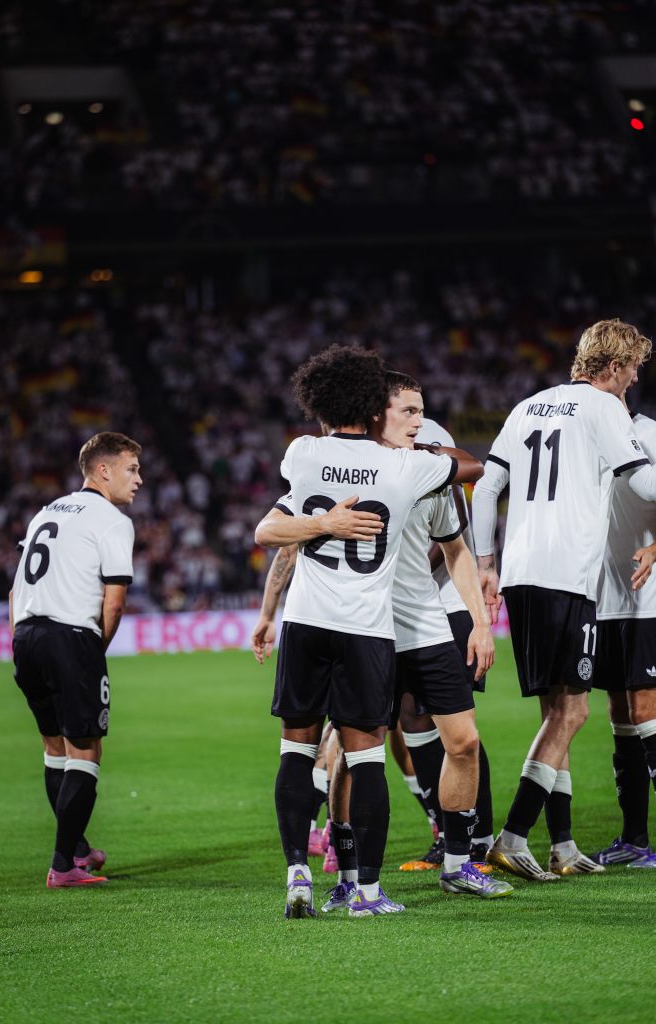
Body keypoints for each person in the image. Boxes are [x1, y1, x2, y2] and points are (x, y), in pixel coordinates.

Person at [254, 343, 473, 918]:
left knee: (297, 750)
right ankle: (368, 895)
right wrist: (423, 447)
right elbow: (468, 464)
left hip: (305, 622)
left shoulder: (301, 453)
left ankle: (298, 874)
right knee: (366, 757)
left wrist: (323, 522)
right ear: (375, 404)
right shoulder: (406, 467)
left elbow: (266, 532)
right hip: (365, 629)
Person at [472, 318, 656, 881]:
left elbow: (486, 487)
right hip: (568, 575)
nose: (634, 380)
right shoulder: (605, 408)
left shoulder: (528, 405)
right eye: (633, 369)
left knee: (555, 710)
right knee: (573, 711)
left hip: (521, 572)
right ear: (614, 366)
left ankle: (563, 844)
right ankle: (512, 836)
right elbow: (643, 484)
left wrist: (485, 564)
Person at [321, 372, 512, 905]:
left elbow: (455, 549)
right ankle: (349, 873)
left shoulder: (427, 471)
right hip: (368, 628)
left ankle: (458, 864)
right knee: (355, 753)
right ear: (375, 414)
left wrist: (479, 624)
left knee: (464, 741)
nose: (419, 421)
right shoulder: (345, 469)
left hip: (426, 623)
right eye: (408, 411)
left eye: (421, 410)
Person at [10, 432, 142, 888]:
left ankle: (79, 848)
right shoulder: (112, 520)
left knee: (54, 748)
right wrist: (88, 654)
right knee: (85, 750)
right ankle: (63, 864)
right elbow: (114, 604)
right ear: (103, 470)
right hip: (70, 637)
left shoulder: (46, 512)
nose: (138, 480)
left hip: (26, 636)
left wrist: (21, 638)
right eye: (131, 469)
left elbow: (14, 590)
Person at [395, 407, 495, 874]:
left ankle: (480, 837)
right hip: (408, 608)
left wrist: (410, 569)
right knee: (411, 717)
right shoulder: (371, 438)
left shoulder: (425, 433)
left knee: (457, 724)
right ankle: (444, 832)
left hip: (449, 599)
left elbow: (451, 513)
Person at [591, 410, 656, 867]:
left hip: (647, 596)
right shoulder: (582, 431)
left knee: (646, 708)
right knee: (620, 713)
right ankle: (634, 838)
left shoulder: (648, 433)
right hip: (603, 598)